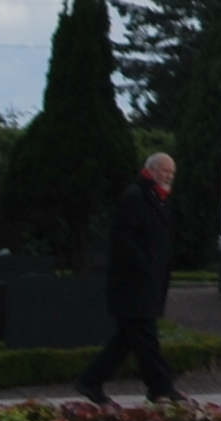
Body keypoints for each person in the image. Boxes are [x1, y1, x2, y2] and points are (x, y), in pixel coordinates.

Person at [77, 151, 180, 405]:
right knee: (146, 337)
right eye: (165, 171)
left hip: (144, 283)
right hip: (133, 284)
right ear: (152, 170)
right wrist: (146, 265)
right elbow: (123, 241)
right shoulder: (135, 197)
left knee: (125, 341)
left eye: (172, 173)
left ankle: (90, 381)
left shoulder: (155, 199)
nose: (169, 176)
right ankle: (161, 387)